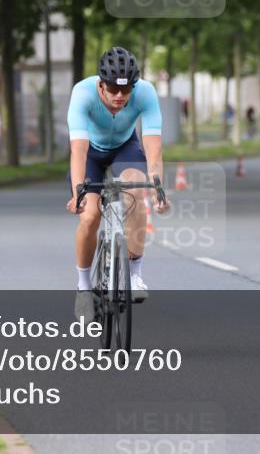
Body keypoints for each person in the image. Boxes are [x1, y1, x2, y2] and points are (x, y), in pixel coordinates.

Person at [66, 47, 170, 321]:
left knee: (136, 192)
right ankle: (84, 287)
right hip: (91, 153)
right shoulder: (82, 92)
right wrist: (78, 191)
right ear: (101, 84)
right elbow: (78, 150)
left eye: (126, 90)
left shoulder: (146, 93)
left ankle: (134, 276)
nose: (120, 96)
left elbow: (153, 147)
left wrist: (158, 187)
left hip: (126, 147)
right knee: (90, 215)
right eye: (113, 89)